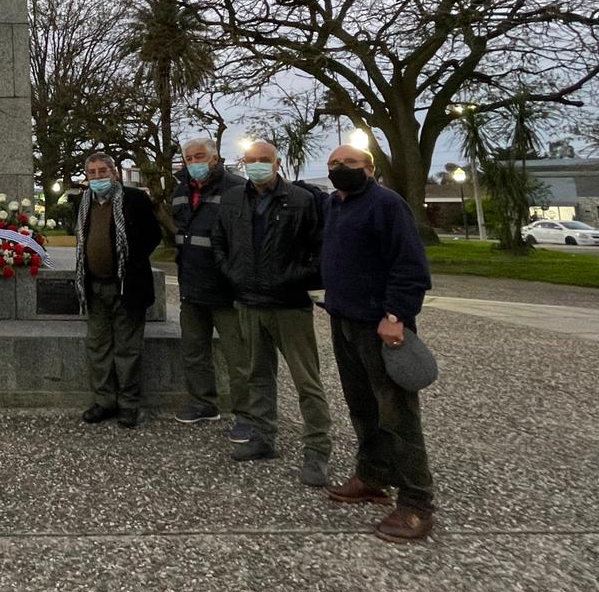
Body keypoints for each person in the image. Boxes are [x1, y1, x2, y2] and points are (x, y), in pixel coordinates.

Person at [319, 143, 438, 543]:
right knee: (363, 407)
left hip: (380, 324)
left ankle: (417, 503)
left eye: (349, 163)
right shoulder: (335, 205)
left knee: (397, 413)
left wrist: (396, 315)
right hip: (344, 319)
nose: (340, 169)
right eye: (333, 164)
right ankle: (372, 476)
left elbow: (410, 265)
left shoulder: (387, 204)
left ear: (369, 168)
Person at [211, 140, 332, 487]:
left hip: (289, 305)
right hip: (248, 301)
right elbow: (220, 242)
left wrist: (295, 278)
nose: (258, 166)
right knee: (257, 376)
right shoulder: (234, 199)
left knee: (306, 381)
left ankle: (317, 450)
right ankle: (263, 437)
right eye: (251, 161)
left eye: (264, 160)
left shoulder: (301, 200)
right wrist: (232, 273)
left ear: (277, 164)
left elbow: (319, 250)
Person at [74, 152, 162, 428]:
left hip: (127, 286)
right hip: (95, 286)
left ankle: (128, 404)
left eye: (103, 171)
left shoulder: (134, 199)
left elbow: (153, 235)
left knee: (127, 349)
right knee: (98, 347)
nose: (98, 177)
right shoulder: (83, 202)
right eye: (92, 173)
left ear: (114, 173)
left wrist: (130, 264)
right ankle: (104, 401)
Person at [171, 135, 249, 425]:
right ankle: (203, 403)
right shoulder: (180, 189)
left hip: (226, 288)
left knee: (238, 357)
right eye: (189, 158)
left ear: (214, 158)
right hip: (191, 285)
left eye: (199, 157)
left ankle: (248, 415)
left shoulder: (237, 187)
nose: (194, 163)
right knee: (194, 352)